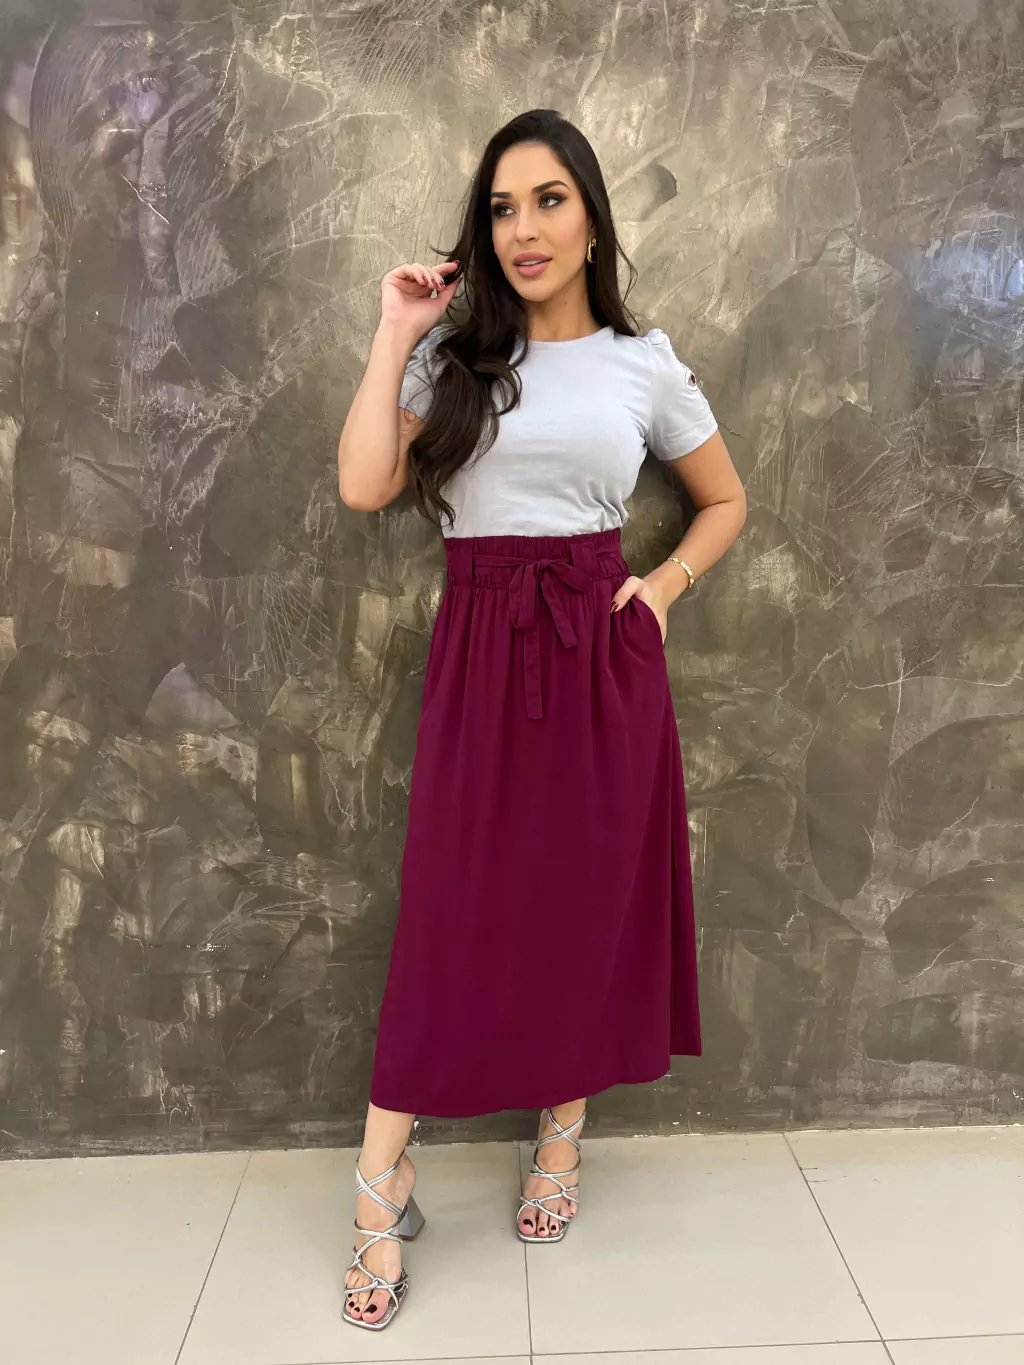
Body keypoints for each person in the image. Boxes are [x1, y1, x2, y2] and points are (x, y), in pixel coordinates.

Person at [336, 107, 746, 1331]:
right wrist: (397, 331)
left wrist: (659, 591)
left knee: (584, 902)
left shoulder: (641, 361)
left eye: (549, 200)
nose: (524, 228)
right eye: (502, 207)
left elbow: (724, 501)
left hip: (599, 659)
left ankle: (561, 1137)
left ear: (592, 219)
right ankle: (381, 1180)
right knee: (449, 910)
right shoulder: (455, 359)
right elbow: (364, 484)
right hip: (478, 652)